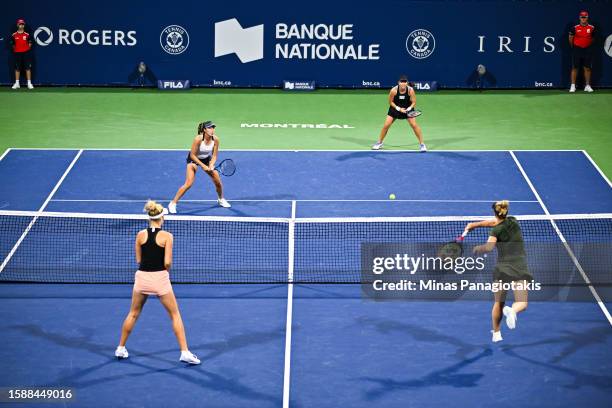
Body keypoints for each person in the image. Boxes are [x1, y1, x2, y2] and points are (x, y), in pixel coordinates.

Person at [115, 200, 200, 364]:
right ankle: (184, 352)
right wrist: (164, 274)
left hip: (141, 279)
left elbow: (139, 259)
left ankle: (120, 347)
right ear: (162, 218)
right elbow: (167, 262)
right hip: (160, 279)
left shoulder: (140, 235)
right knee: (175, 315)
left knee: (133, 313)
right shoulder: (167, 236)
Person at [463, 201, 531, 343]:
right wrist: (475, 225)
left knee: (498, 302)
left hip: (502, 270)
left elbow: (488, 247)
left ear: (495, 213)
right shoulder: (513, 221)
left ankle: (496, 333)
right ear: (506, 212)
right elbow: (494, 223)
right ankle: (513, 311)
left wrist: (477, 249)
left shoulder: (495, 231)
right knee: (522, 303)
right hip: (519, 268)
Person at [169, 121, 230, 213]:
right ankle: (173, 203)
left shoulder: (216, 139)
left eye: (213, 127)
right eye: (209, 128)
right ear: (204, 130)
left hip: (206, 159)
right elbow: (192, 155)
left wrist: (211, 164)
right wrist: (203, 166)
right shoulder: (198, 139)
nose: (212, 129)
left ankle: (221, 199)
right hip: (194, 159)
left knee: (218, 182)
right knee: (189, 183)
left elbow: (214, 155)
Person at [372, 75, 426, 152]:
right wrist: (399, 109)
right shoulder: (393, 90)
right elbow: (390, 102)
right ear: (398, 83)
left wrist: (409, 109)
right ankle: (379, 143)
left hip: (407, 108)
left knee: (414, 125)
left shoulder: (410, 90)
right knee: (386, 125)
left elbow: (414, 102)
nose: (403, 84)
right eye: (402, 82)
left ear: (407, 83)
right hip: (395, 108)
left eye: (405, 82)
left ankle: (422, 144)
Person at [569, 11, 595, 93]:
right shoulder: (575, 28)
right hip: (577, 49)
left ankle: (587, 86)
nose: (583, 19)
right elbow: (570, 38)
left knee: (587, 68)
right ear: (579, 18)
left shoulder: (592, 28)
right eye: (582, 17)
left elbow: (593, 39)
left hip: (587, 50)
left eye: (585, 17)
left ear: (587, 18)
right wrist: (575, 47)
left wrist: (587, 45)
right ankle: (573, 86)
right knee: (575, 67)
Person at [10, 18, 34, 90]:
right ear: (17, 25)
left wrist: (26, 49)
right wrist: (17, 49)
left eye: (22, 24)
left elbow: (30, 43)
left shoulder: (27, 35)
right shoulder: (14, 35)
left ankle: (29, 83)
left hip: (26, 53)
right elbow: (12, 44)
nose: (21, 25)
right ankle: (17, 83)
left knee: (28, 68)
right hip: (17, 54)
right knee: (17, 68)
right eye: (20, 24)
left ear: (24, 25)